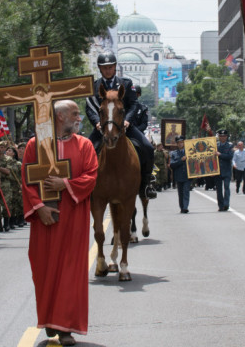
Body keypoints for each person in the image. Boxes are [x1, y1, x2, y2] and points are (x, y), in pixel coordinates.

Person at [22, 100, 98, 346]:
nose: (79, 118)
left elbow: (91, 175)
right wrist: (39, 207)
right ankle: (50, 320)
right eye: (75, 114)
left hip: (73, 218)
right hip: (46, 220)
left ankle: (66, 328)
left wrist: (65, 184)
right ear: (60, 116)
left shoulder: (85, 145)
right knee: (44, 269)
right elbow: (26, 179)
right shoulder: (35, 145)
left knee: (71, 271)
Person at [85, 51, 156, 199]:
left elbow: (133, 104)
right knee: (85, 151)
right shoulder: (94, 86)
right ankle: (86, 187)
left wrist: (127, 120)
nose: (108, 70)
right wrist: (97, 123)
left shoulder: (126, 83)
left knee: (148, 148)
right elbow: (90, 108)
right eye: (104, 67)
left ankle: (147, 183)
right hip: (102, 128)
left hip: (124, 127)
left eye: (110, 67)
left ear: (115, 67)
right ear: (99, 68)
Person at [0, 140, 15, 232]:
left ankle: (6, 224)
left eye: (2, 147)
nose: (0, 149)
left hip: (5, 183)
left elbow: (8, 171)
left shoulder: (8, 159)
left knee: (7, 204)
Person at [214, 129, 233, 211]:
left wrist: (220, 154)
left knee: (226, 187)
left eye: (224, 136)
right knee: (218, 189)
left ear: (226, 137)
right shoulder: (215, 145)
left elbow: (230, 156)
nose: (222, 138)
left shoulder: (230, 145)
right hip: (217, 170)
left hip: (227, 170)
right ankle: (220, 206)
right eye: (221, 136)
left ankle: (226, 204)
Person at [170, 136, 190, 213]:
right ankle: (182, 207)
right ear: (177, 144)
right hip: (178, 176)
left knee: (186, 192)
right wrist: (180, 160)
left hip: (187, 175)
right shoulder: (174, 153)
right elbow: (172, 165)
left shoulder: (189, 151)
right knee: (180, 193)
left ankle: (185, 207)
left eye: (182, 142)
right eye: (179, 143)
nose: (180, 144)